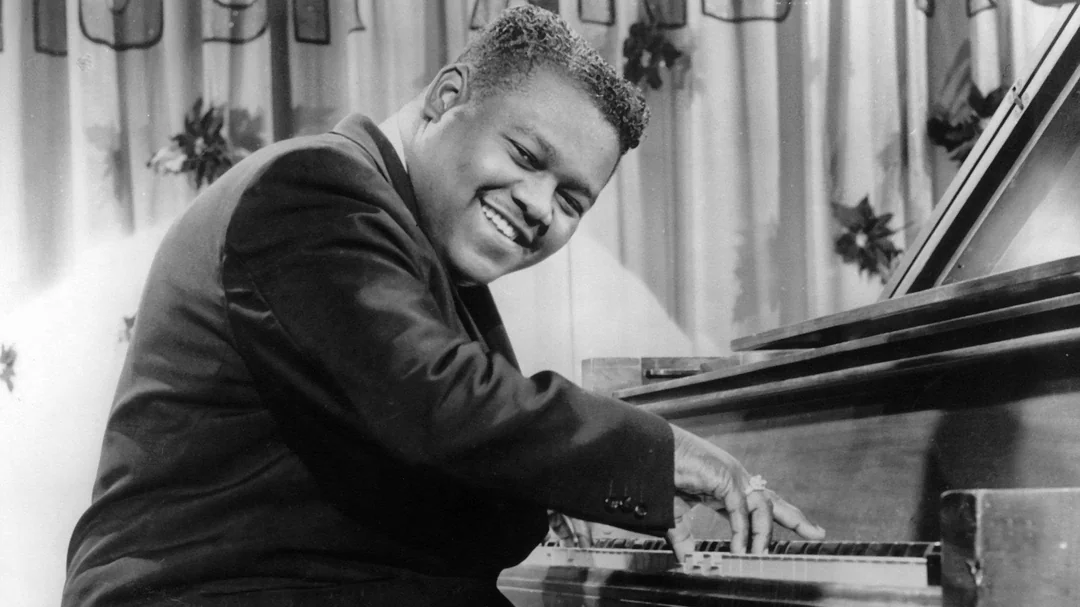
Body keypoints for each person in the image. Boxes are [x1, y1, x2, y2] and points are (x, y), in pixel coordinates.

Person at [62, 6, 824, 606]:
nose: (537, 207)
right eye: (526, 156)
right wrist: (662, 457)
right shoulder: (313, 192)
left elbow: (445, 461)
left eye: (571, 199)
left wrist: (565, 501)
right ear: (446, 97)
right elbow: (434, 398)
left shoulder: (415, 254)